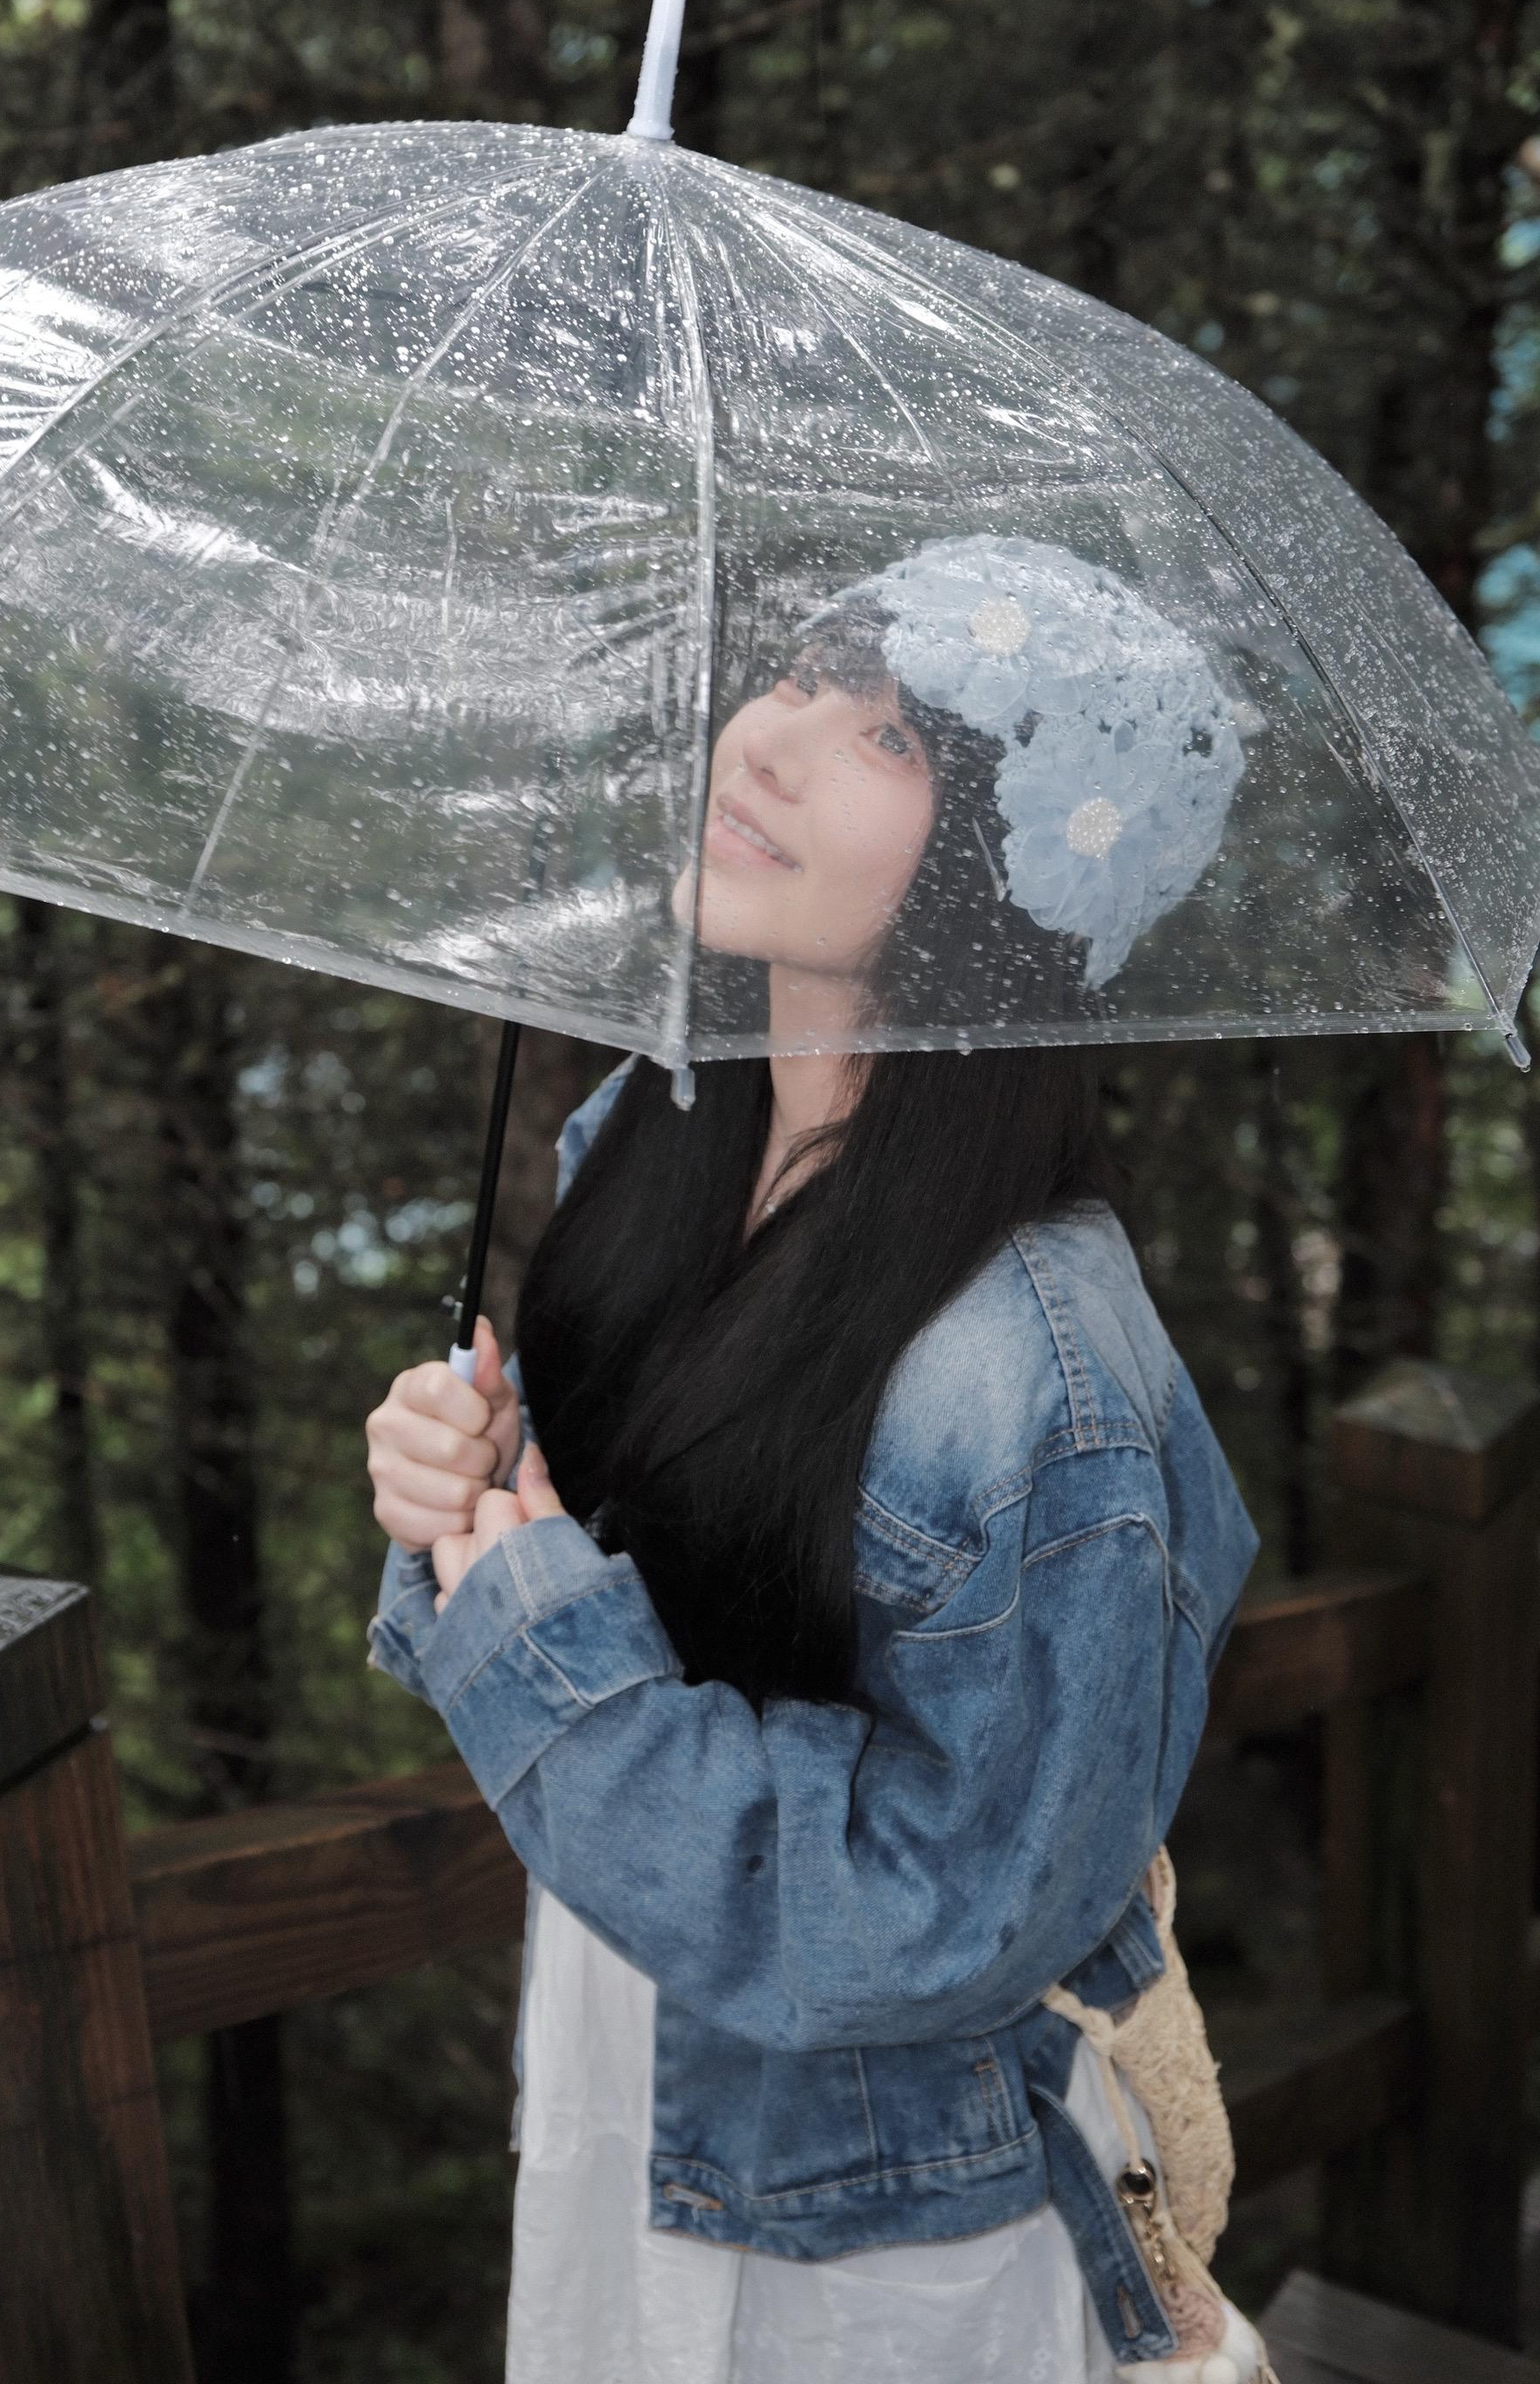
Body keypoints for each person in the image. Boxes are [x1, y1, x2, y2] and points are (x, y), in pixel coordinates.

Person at [365, 536, 1265, 2383]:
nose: (765, 741)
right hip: (634, 2070)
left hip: (884, 2231)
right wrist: (464, 1500)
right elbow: (615, 1599)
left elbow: (947, 1917)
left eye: (891, 737)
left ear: (1016, 870)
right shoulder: (653, 1136)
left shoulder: (1047, 1384)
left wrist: (535, 1631)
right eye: (796, 675)